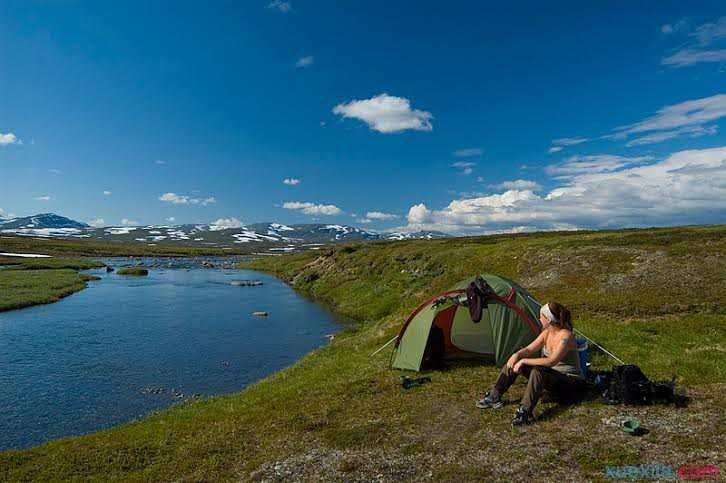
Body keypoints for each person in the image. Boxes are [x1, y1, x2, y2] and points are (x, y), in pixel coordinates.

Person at [476, 301, 587, 426]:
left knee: (538, 371)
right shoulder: (546, 333)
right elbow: (529, 350)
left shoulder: (566, 336)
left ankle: (524, 412)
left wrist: (524, 361)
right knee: (516, 361)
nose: (539, 318)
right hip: (553, 378)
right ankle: (494, 395)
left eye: (541, 316)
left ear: (549, 320)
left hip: (571, 384)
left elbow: (552, 361)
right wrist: (516, 356)